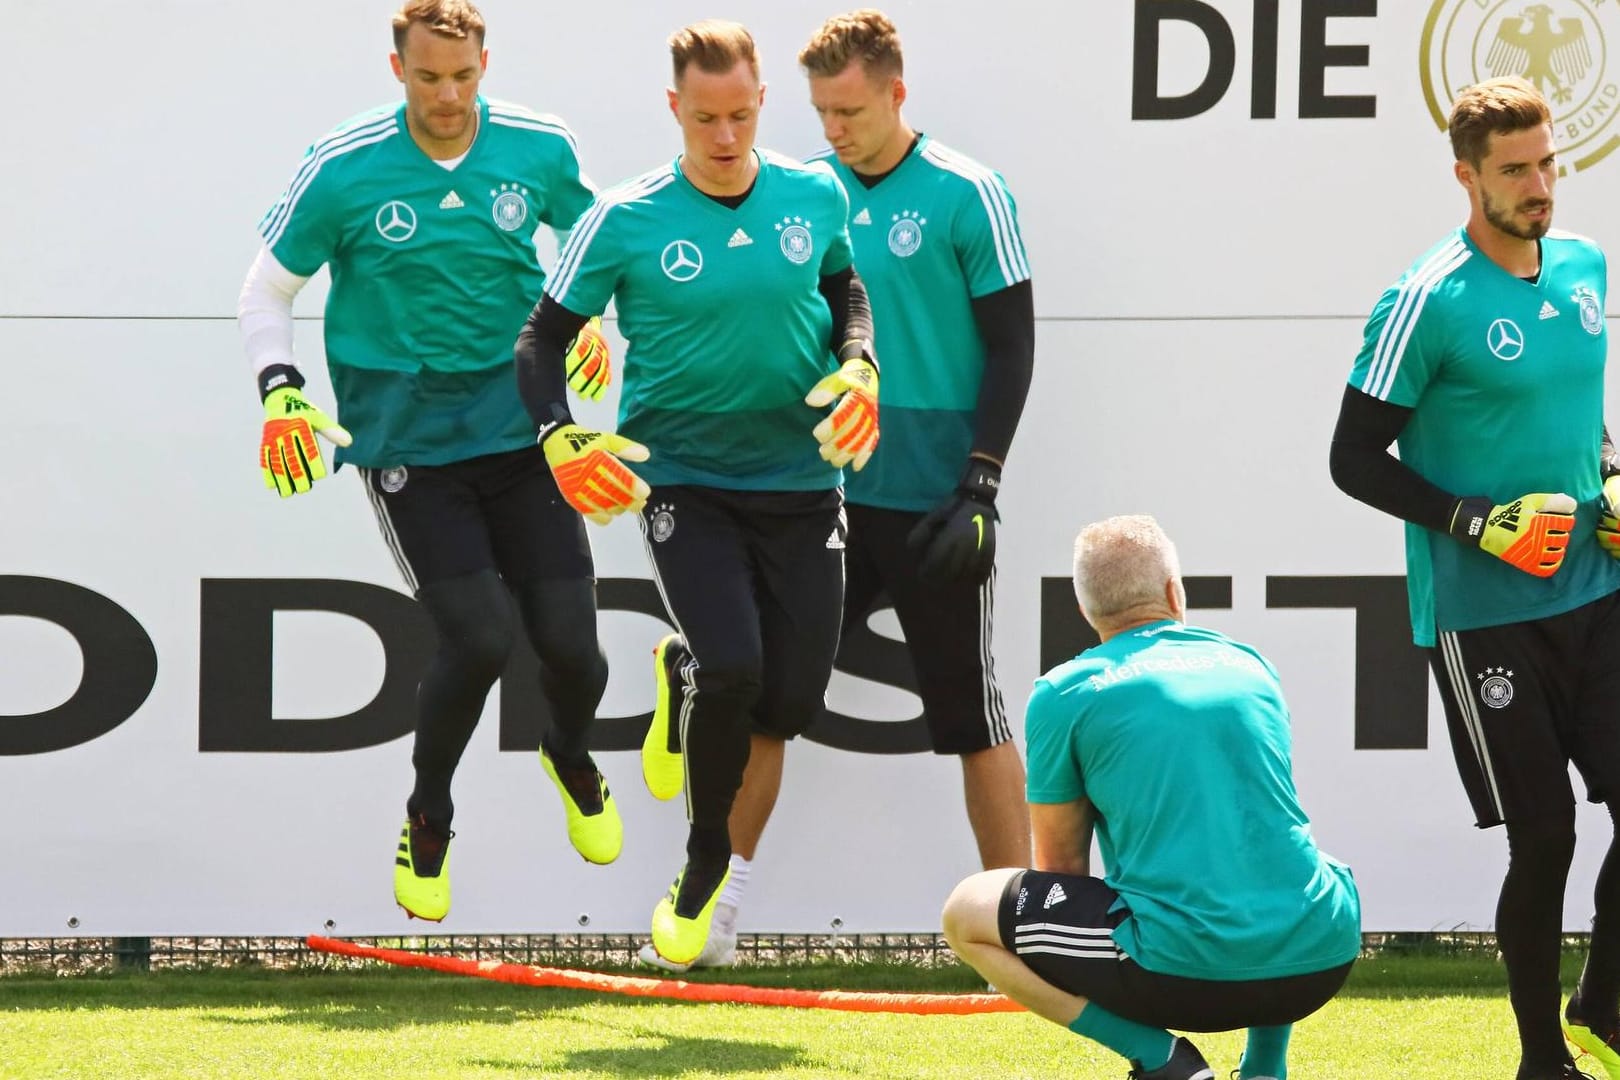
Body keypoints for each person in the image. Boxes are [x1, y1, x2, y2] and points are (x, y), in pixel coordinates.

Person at [633, 9, 1037, 972]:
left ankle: (1022, 929)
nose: (832, 129)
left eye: (849, 109)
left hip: (933, 497)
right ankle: (715, 917)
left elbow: (1015, 345)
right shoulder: (796, 192)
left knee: (972, 715)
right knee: (770, 704)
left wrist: (981, 483)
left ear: (897, 93)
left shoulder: (968, 193)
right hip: (813, 491)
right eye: (818, 111)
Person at [237, 0, 625, 925]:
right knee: (483, 637)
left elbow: (596, 242)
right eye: (427, 77)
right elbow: (267, 287)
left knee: (576, 648)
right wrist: (281, 389)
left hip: (525, 423)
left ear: (486, 62)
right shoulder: (342, 166)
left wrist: (592, 323)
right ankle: (430, 812)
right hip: (407, 433)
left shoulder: (540, 147)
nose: (447, 97)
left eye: (463, 76)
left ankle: (568, 754)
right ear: (395, 67)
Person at [512, 19, 878, 968]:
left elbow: (845, 289)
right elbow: (541, 339)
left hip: (804, 479)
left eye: (743, 115)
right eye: (706, 118)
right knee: (738, 668)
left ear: (762, 104)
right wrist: (559, 434)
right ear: (675, 109)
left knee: (789, 702)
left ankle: (683, 685)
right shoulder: (627, 217)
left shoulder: (814, 190)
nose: (725, 137)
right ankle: (703, 863)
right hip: (684, 479)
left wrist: (859, 360)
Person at [1330, 75, 1620, 1080]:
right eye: (1516, 171)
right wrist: (1477, 524)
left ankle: (1607, 998)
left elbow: (1577, 417)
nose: (1541, 184)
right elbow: (1352, 458)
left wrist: (1614, 483)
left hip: (1599, 591)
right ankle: (1544, 1059)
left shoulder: (1585, 267)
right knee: (1544, 840)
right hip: (1482, 612)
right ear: (1467, 176)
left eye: (1548, 162)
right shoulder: (1426, 300)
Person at [941, 515, 1362, 1080]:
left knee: (965, 912)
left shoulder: (1064, 691)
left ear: (1086, 610)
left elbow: (1063, 872)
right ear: (1174, 592)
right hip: (1322, 958)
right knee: (1287, 861)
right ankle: (1265, 1066)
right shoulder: (1249, 665)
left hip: (1181, 977)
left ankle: (1160, 1058)